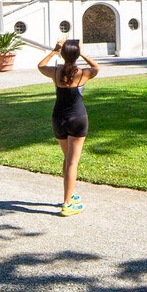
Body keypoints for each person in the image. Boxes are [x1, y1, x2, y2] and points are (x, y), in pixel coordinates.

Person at [37, 37, 97, 216]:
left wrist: (55, 50)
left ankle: (69, 194)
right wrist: (82, 54)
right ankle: (67, 204)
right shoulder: (83, 73)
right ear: (76, 54)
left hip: (58, 118)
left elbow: (41, 66)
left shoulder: (56, 72)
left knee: (67, 158)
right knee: (72, 161)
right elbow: (96, 68)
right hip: (78, 119)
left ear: (62, 54)